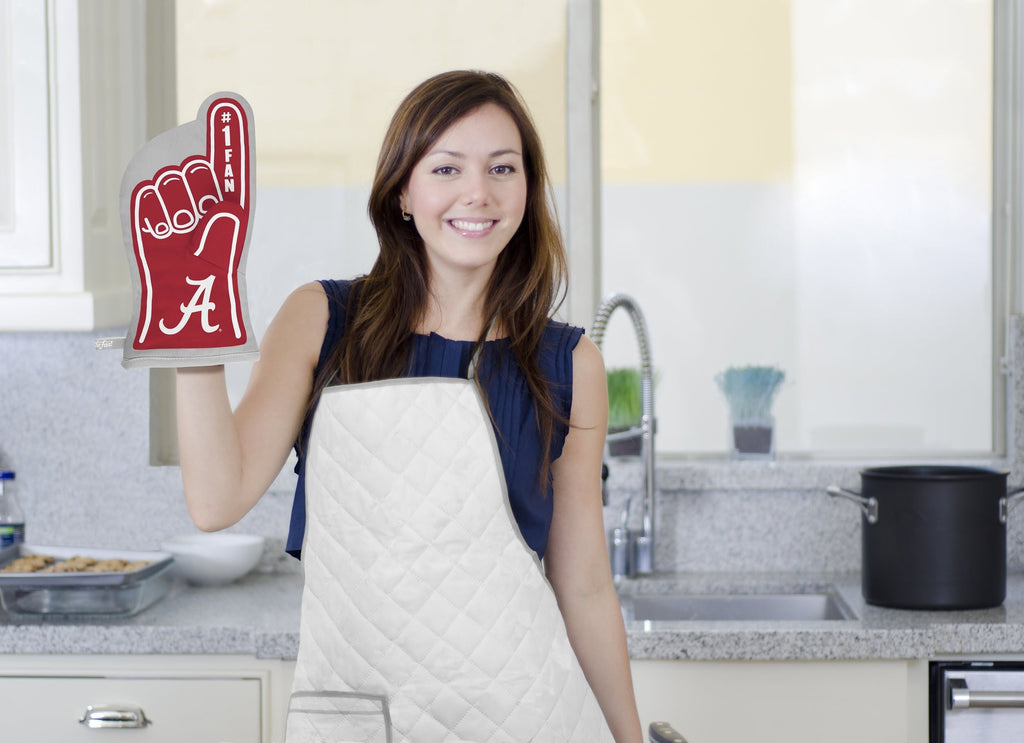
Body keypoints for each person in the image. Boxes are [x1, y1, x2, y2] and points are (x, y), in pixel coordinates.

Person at [176, 69, 644, 742]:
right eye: (446, 167)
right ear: (403, 189)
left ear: (527, 189)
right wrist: (190, 329)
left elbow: (586, 586)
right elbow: (216, 500)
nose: (476, 193)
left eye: (502, 168)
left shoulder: (569, 364)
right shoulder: (322, 319)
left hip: (525, 716)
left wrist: (629, 739)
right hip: (359, 715)